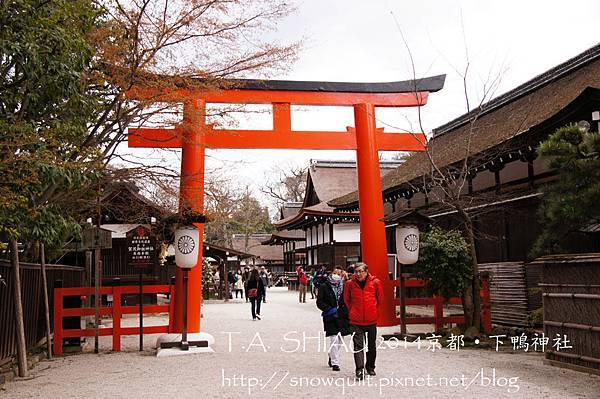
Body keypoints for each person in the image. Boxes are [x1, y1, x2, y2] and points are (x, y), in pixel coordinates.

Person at [343, 262, 383, 380]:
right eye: (356, 272)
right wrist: (353, 311)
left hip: (371, 319)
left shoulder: (375, 283)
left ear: (366, 272)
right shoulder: (350, 284)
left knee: (371, 346)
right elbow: (347, 300)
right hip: (356, 320)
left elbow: (380, 299)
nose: (358, 274)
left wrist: (374, 310)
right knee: (358, 346)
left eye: (361, 271)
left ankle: (370, 367)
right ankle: (359, 369)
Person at [316, 266, 350, 372]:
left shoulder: (344, 286)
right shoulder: (324, 286)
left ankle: (331, 354)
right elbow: (319, 302)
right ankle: (335, 362)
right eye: (335, 273)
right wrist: (329, 309)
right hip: (330, 316)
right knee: (334, 338)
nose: (337, 275)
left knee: (340, 340)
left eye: (339, 274)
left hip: (342, 315)